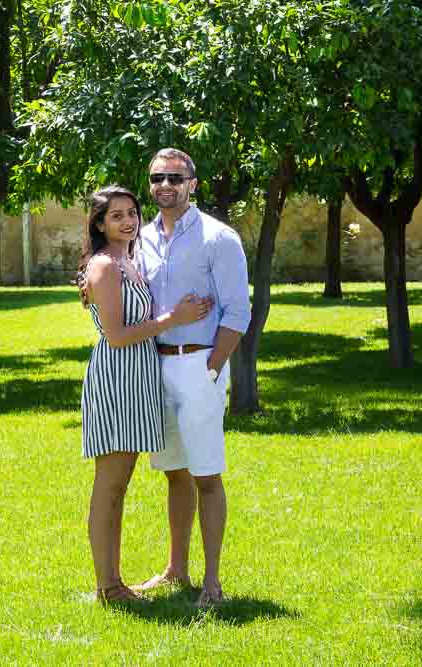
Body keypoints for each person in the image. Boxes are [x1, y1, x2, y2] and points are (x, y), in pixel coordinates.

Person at [132, 148, 251, 608]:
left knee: (206, 475)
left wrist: (213, 365)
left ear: (193, 184)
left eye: (175, 178)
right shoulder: (139, 239)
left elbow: (238, 310)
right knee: (174, 474)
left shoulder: (218, 238)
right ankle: (176, 570)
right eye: (157, 177)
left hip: (199, 364)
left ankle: (213, 583)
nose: (165, 185)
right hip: (155, 367)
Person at [80, 185, 210, 604]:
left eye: (131, 213)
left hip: (141, 376)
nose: (128, 221)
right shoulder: (105, 266)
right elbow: (116, 336)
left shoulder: (130, 262)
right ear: (100, 224)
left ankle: (115, 582)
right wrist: (174, 318)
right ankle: (108, 586)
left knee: (122, 484)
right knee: (111, 485)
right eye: (115, 216)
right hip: (118, 376)